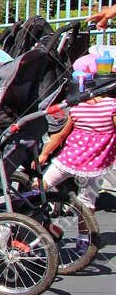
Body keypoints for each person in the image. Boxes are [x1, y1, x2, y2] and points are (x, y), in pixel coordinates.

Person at [39, 62, 116, 207]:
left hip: (69, 158)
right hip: (96, 164)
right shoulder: (112, 106)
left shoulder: (76, 108)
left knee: (42, 185)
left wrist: (44, 154)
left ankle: (25, 212)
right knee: (86, 204)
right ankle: (86, 231)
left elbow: (61, 135)